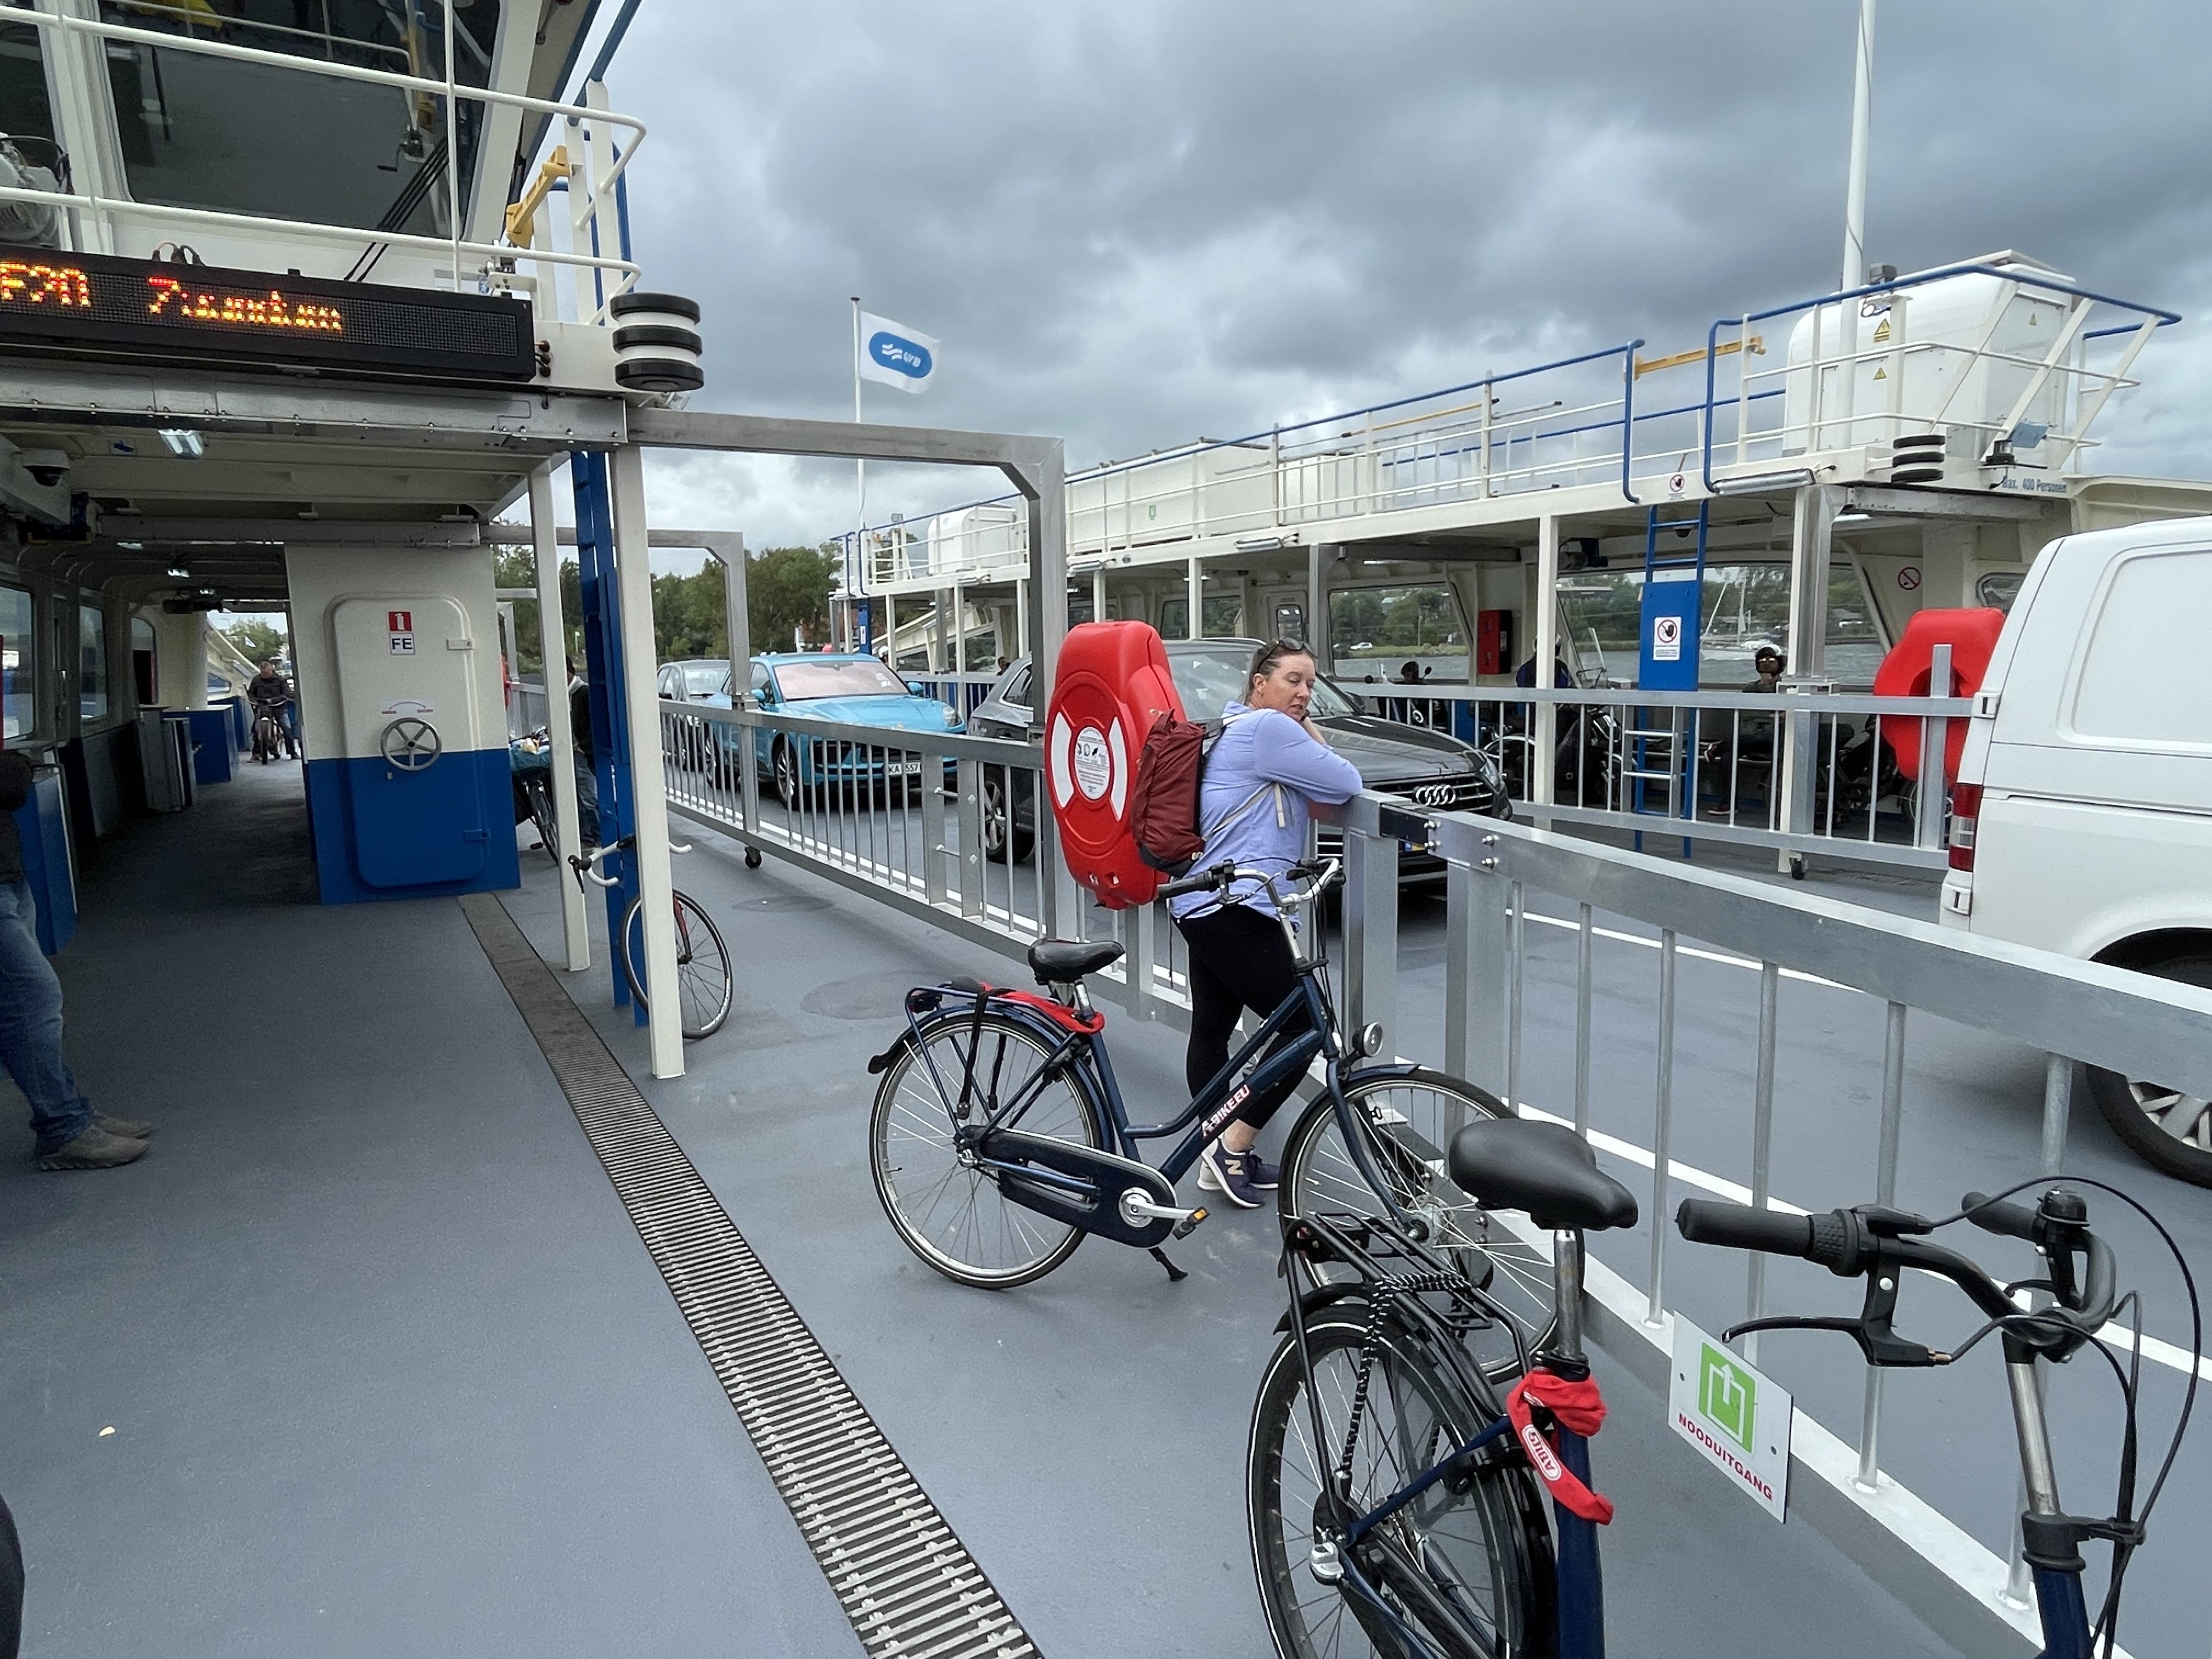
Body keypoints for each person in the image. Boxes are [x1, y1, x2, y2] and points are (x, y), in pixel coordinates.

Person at [1169, 639, 1362, 1210]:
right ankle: (1232, 1147)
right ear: (1259, 683)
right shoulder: (1270, 731)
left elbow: (1318, 793)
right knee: (1307, 1027)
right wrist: (1306, 729)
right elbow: (1346, 783)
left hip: (1201, 900)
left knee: (1213, 1026)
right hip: (1239, 905)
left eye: (1311, 685)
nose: (1304, 694)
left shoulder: (1233, 727)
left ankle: (1214, 1150)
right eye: (1292, 681)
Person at [0, 749, 151, 1169]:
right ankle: (63, 1129)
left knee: (21, 1007)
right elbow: (9, 783)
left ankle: (70, 1113)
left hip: (8, 877)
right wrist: (18, 766)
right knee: (33, 1000)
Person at [567, 669, 601, 848]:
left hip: (581, 751)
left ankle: (598, 833)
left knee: (587, 794)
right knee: (583, 793)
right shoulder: (572, 693)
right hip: (576, 749)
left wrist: (583, 746)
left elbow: (593, 723)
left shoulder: (583, 692)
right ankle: (589, 834)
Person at [246, 658, 297, 758]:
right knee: (257, 729)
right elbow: (251, 694)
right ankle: (256, 754)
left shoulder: (280, 680)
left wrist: (274, 700)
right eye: (263, 673)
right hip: (262, 708)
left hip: (279, 707)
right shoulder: (256, 680)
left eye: (267, 673)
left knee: (287, 729)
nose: (265, 675)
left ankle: (292, 753)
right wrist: (254, 701)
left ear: (271, 671)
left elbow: (287, 693)